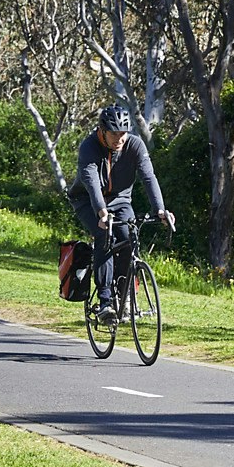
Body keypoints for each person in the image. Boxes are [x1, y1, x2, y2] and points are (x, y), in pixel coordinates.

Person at [67, 106, 175, 323]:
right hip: (87, 200)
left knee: (129, 240)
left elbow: (148, 177)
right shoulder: (89, 147)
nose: (120, 139)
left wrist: (160, 209)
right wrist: (101, 212)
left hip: (121, 201)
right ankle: (105, 301)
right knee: (104, 236)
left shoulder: (135, 145)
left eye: (123, 133)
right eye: (114, 134)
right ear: (102, 131)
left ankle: (125, 295)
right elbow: (91, 182)